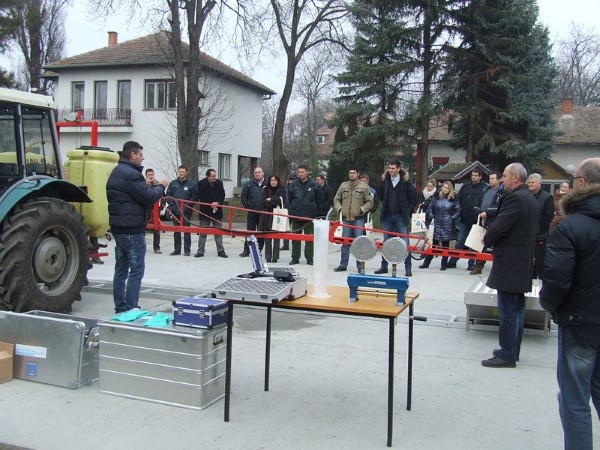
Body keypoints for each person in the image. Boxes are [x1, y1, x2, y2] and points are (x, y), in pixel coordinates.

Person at [540, 158, 600, 450]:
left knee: (574, 399)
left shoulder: (569, 227)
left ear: (584, 183)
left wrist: (549, 305)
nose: (568, 184)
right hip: (585, 318)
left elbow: (556, 280)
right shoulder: (572, 225)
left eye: (573, 178)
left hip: (579, 322)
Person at [481, 163, 537, 368]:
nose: (502, 179)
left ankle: (507, 354)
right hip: (521, 258)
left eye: (504, 176)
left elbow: (501, 226)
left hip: (511, 259)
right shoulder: (528, 197)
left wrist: (487, 238)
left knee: (508, 310)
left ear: (515, 177)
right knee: (517, 308)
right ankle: (512, 349)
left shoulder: (515, 198)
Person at [106, 141, 167, 313]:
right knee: (136, 270)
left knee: (120, 270)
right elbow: (148, 198)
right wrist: (161, 186)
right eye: (141, 155)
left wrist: (146, 186)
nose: (143, 158)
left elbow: (131, 194)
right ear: (132, 155)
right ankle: (131, 307)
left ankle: (120, 305)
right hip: (132, 229)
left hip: (118, 228)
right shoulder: (132, 175)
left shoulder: (116, 172)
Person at [375, 158, 417, 277]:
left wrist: (408, 211)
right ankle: (384, 266)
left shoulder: (406, 182)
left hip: (401, 216)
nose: (391, 170)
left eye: (393, 168)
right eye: (389, 168)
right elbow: (380, 195)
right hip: (388, 215)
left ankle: (408, 268)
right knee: (387, 242)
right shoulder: (385, 181)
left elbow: (414, 197)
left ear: (399, 169)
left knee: (405, 242)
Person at [333, 167, 374, 272]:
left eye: (354, 173)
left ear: (358, 174)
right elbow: (336, 199)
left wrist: (362, 209)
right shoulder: (343, 186)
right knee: (345, 242)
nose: (352, 175)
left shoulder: (364, 187)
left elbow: (370, 202)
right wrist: (339, 209)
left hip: (358, 218)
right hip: (346, 218)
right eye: (350, 173)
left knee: (358, 243)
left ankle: (360, 266)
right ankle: (343, 264)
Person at [446, 168, 487, 270]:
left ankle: (471, 263)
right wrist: (459, 211)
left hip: (476, 220)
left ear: (480, 176)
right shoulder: (465, 187)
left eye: (476, 175)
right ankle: (453, 261)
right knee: (460, 241)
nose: (473, 177)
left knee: (473, 243)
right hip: (464, 219)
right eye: (472, 175)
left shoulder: (484, 188)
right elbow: (458, 201)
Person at [418, 181, 459, 271]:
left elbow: (458, 210)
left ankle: (443, 264)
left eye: (447, 188)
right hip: (437, 223)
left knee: (445, 246)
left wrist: (452, 218)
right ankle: (426, 263)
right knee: (433, 245)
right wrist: (432, 216)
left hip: (448, 225)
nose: (445, 189)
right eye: (444, 187)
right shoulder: (436, 197)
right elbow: (430, 208)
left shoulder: (453, 198)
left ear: (450, 189)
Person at [287, 165, 323, 265]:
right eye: (299, 172)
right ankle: (295, 257)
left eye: (302, 172)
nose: (300, 174)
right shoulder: (293, 184)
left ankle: (309, 258)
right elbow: (288, 199)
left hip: (309, 216)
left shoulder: (314, 184)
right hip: (296, 215)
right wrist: (291, 210)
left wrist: (316, 213)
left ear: (307, 172)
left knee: (310, 238)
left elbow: (320, 200)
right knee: (295, 238)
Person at [470, 171, 505, 275]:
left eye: (493, 178)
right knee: (481, 245)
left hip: (494, 221)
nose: (490, 180)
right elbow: (476, 204)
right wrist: (480, 212)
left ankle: (498, 268)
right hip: (482, 220)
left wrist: (488, 212)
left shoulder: (502, 192)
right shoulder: (485, 190)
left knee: (496, 245)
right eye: (490, 178)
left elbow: (499, 207)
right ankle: (478, 266)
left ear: (499, 180)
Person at [192, 168, 228, 258]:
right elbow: (201, 195)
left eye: (215, 176)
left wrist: (217, 203)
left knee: (218, 232)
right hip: (205, 211)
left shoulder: (219, 183)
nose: (214, 178)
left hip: (217, 211)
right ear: (208, 176)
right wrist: (210, 204)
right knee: (203, 232)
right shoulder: (201, 183)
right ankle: (200, 251)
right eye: (212, 176)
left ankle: (221, 251)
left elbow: (222, 194)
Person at [527, 173, 555, 279]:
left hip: (540, 236)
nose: (530, 184)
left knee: (539, 262)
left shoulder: (547, 197)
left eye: (532, 182)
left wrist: (538, 229)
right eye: (529, 182)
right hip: (527, 235)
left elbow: (549, 216)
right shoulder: (527, 196)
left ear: (539, 184)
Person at [166, 165, 195, 256]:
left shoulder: (191, 184)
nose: (181, 173)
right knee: (176, 230)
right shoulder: (173, 183)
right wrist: (173, 206)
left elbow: (194, 197)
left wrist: (187, 206)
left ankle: (187, 250)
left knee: (186, 230)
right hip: (175, 211)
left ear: (186, 173)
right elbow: (168, 195)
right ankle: (177, 250)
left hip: (186, 211)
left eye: (183, 172)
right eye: (180, 172)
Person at [240, 166, 266, 257]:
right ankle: (246, 250)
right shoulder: (249, 184)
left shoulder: (267, 184)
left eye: (259, 172)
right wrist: (248, 206)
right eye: (255, 173)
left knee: (261, 232)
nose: (257, 174)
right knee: (249, 232)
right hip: (251, 211)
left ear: (263, 173)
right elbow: (243, 196)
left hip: (263, 213)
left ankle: (258, 250)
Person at [258, 175, 285, 263]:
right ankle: (268, 256)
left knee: (276, 237)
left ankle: (275, 257)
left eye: (275, 180)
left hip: (277, 215)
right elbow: (263, 201)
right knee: (268, 237)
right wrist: (271, 202)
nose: (273, 182)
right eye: (271, 180)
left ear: (278, 181)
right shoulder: (265, 189)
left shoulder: (281, 189)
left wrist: (271, 199)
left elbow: (281, 201)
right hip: (267, 216)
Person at [145, 168, 162, 254]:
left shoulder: (157, 184)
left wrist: (161, 207)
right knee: (142, 226)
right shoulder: (143, 184)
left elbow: (163, 195)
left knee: (156, 228)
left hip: (155, 209)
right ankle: (142, 246)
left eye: (152, 175)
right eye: (149, 175)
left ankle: (156, 247)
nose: (151, 177)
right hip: (146, 208)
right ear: (146, 176)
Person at [280, 172, 297, 251]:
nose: (291, 181)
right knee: (286, 228)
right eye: (290, 179)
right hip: (286, 210)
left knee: (294, 229)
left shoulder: (296, 187)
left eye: (293, 179)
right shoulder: (286, 188)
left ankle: (294, 243)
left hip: (293, 210)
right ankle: (286, 244)